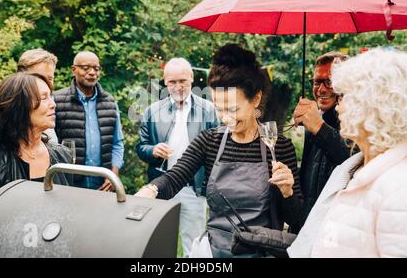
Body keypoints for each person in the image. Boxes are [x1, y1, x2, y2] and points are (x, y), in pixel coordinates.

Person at [136, 44, 302, 258]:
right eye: (219, 108)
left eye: (233, 109)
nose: (225, 118)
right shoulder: (210, 140)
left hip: (262, 252)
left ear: (256, 99)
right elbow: (174, 178)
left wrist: (287, 191)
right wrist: (150, 190)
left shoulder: (279, 147)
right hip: (215, 253)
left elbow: (296, 218)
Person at [288, 48, 407, 257]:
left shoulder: (398, 189)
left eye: (345, 97)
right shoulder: (357, 170)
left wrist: (320, 128)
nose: (340, 107)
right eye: (318, 82)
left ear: (372, 105)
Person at [0, 73, 72, 237]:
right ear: (19, 106)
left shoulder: (63, 155)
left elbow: (71, 215)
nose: (53, 104)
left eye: (51, 97)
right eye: (43, 97)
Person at [136, 57, 219, 257]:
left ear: (192, 78)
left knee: (195, 244)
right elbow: (141, 147)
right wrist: (152, 150)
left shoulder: (208, 110)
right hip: (161, 186)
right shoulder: (152, 110)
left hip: (194, 187)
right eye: (172, 82)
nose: (178, 86)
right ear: (165, 82)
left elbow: (218, 149)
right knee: (159, 241)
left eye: (183, 81)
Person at [290, 51, 353, 233]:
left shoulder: (354, 121)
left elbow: (350, 160)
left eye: (330, 82)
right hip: (306, 223)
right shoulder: (314, 121)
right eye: (317, 81)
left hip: (334, 226)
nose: (322, 89)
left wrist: (319, 127)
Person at [54, 51, 124, 191]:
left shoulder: (110, 102)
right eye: (86, 68)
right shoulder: (56, 101)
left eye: (96, 68)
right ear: (74, 70)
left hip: (103, 183)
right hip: (69, 184)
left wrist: (113, 174)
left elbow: (117, 143)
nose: (92, 72)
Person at [17, 48, 59, 143]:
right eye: (39, 77)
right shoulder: (12, 109)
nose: (46, 83)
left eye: (50, 78)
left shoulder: (51, 102)